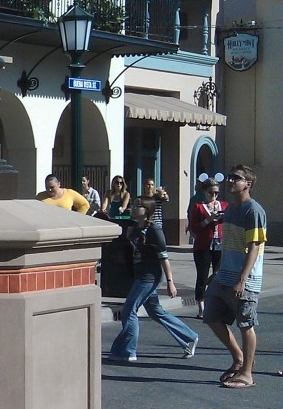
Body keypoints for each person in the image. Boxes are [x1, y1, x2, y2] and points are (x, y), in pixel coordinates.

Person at [105, 197, 198, 363]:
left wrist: (170, 282)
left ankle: (128, 351)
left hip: (150, 276)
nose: (133, 208)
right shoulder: (133, 228)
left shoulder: (154, 230)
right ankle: (189, 337)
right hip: (139, 274)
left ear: (147, 211)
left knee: (129, 310)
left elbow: (164, 257)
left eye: (138, 206)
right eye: (133, 205)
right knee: (156, 312)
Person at [205, 165, 267, 389]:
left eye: (236, 178)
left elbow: (254, 248)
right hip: (224, 276)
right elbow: (228, 245)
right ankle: (238, 358)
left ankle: (247, 374)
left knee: (245, 323)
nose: (230, 181)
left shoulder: (253, 211)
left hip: (245, 279)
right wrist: (218, 272)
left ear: (247, 184)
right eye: (229, 177)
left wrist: (242, 278)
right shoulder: (230, 209)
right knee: (211, 315)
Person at [188, 179, 226, 319]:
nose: (214, 196)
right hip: (203, 246)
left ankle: (217, 305)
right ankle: (201, 308)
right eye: (211, 193)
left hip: (220, 244)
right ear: (205, 192)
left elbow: (229, 223)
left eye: (216, 193)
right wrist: (208, 220)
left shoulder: (224, 205)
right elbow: (194, 228)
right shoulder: (198, 207)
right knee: (202, 277)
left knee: (219, 275)